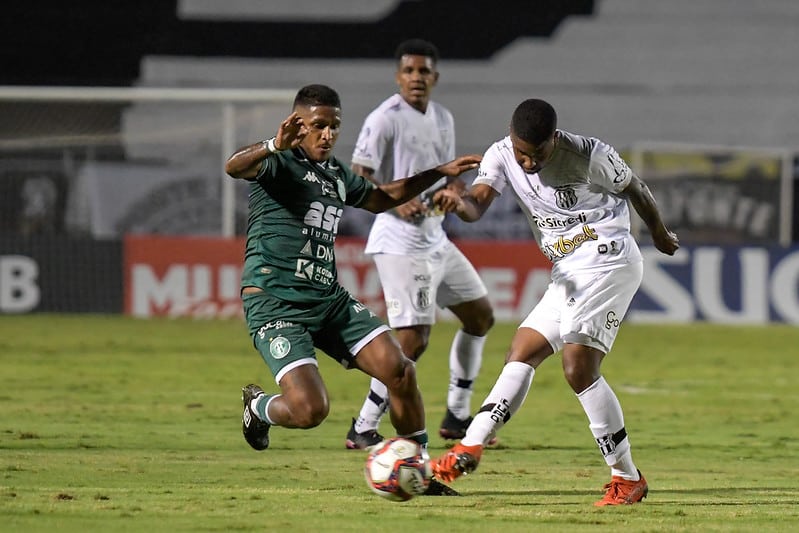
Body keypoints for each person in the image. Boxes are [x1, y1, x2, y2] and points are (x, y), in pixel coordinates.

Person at [224, 83, 480, 496]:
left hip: (328, 300)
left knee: (400, 369)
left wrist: (438, 173)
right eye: (319, 126)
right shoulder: (279, 164)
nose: (327, 135)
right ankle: (258, 408)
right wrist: (274, 144)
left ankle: (419, 468)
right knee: (311, 410)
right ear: (298, 126)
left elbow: (380, 198)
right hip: (276, 305)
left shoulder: (336, 173)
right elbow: (233, 167)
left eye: (334, 127)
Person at [429, 98, 680, 506]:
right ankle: (468, 448)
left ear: (554, 139)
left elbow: (636, 187)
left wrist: (660, 232)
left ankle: (626, 477)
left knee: (578, 366)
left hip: (609, 259)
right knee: (521, 351)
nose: (527, 163)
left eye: (537, 154)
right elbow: (477, 203)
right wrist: (459, 203)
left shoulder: (589, 154)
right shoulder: (500, 154)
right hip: (567, 270)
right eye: (521, 152)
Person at [345, 38, 495, 450]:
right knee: (412, 340)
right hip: (398, 243)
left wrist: (454, 194)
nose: (416, 78)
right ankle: (362, 425)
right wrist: (397, 205)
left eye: (424, 71)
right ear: (398, 76)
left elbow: (449, 178)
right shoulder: (384, 118)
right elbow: (359, 177)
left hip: (435, 238)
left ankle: (458, 416)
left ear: (435, 76)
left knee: (480, 317)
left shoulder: (443, 117)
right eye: (409, 71)